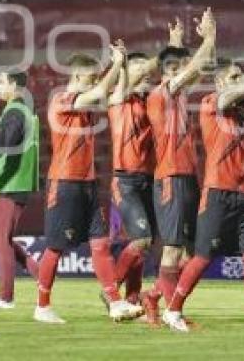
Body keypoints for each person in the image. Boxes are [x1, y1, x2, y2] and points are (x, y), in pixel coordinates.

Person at [162, 31, 244, 334]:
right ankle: (173, 310)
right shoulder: (211, 103)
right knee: (203, 256)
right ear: (220, 82)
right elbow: (241, 89)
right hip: (217, 193)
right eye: (233, 76)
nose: (238, 80)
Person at [34, 43, 144, 324]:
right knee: (56, 247)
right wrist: (116, 64)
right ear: (79, 77)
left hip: (88, 184)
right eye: (92, 77)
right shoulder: (61, 100)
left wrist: (122, 67)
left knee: (100, 244)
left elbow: (114, 93)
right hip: (65, 182)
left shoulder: (86, 102)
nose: (96, 83)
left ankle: (115, 302)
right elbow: (99, 92)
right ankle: (42, 306)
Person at [139, 11, 217, 323]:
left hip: (186, 175)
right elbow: (194, 68)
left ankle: (156, 296)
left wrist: (177, 42)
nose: (188, 72)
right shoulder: (161, 93)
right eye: (180, 67)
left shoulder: (177, 93)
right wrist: (209, 37)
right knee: (172, 250)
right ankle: (170, 312)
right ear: (171, 71)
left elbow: (191, 69)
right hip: (171, 176)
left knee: (191, 253)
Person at [0, 70, 40, 309]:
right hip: (18, 182)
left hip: (9, 183)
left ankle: (6, 297)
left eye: (1, 82)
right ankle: (42, 276)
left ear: (14, 86)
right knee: (2, 239)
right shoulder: (25, 111)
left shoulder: (14, 111)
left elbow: (6, 147)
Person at [107, 49, 159, 306]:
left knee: (143, 242)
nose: (149, 75)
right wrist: (124, 65)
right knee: (141, 239)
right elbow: (126, 80)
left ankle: (133, 298)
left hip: (149, 178)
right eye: (142, 69)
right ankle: (111, 292)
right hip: (125, 179)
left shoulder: (150, 101)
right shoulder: (119, 98)